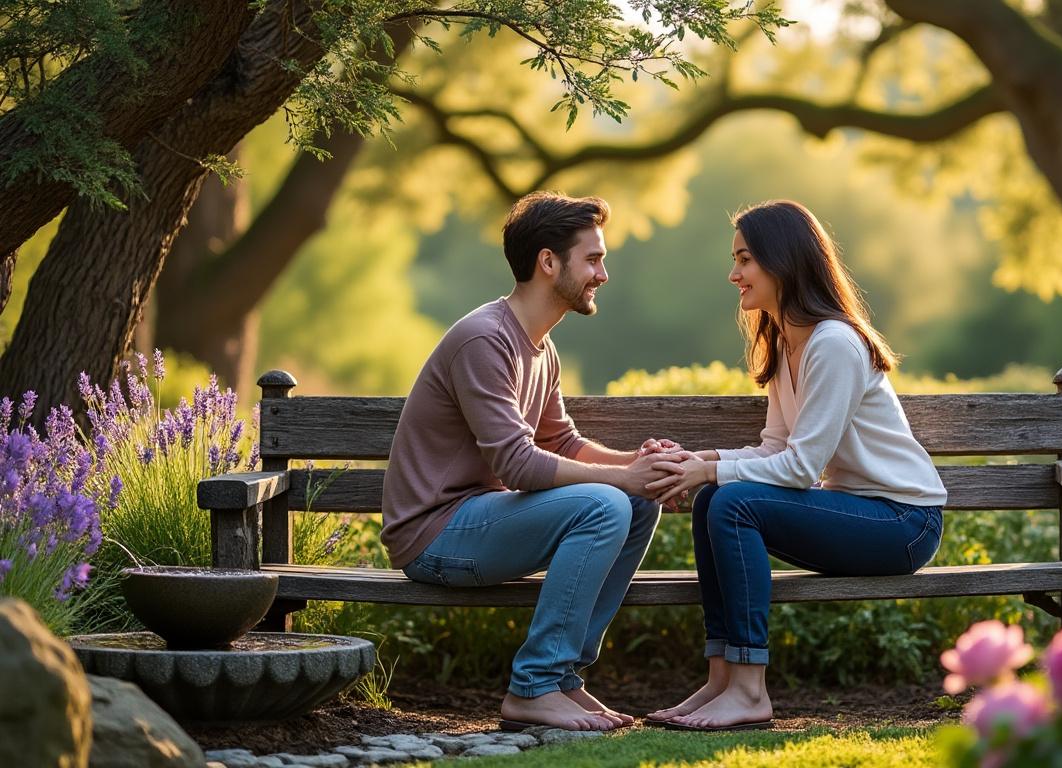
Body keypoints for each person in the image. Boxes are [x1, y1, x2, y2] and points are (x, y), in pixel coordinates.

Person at [381, 191, 686, 732]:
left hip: (481, 519)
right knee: (607, 505)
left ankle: (562, 677)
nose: (603, 274)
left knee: (638, 504)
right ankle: (534, 686)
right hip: (434, 535)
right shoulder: (484, 340)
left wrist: (639, 464)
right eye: (593, 259)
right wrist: (623, 478)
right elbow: (519, 465)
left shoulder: (541, 347)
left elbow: (561, 442)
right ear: (549, 262)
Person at [645, 200, 948, 731]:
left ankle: (749, 692)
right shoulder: (787, 343)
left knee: (730, 501)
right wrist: (702, 462)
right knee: (715, 499)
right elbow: (775, 450)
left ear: (782, 261)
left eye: (745, 259)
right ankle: (722, 679)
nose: (734, 274)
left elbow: (802, 468)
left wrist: (711, 471)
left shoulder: (834, 344)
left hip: (904, 522)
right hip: (859, 511)